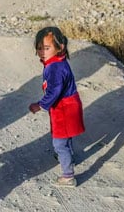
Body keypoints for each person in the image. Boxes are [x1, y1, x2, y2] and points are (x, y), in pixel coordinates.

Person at [28, 26, 85, 188]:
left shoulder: (54, 68)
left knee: (59, 143)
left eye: (46, 48)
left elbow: (54, 91)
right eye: (39, 48)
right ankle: (69, 157)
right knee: (66, 137)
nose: (42, 52)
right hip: (69, 104)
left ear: (60, 47)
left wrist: (40, 105)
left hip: (64, 108)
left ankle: (68, 176)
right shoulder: (57, 62)